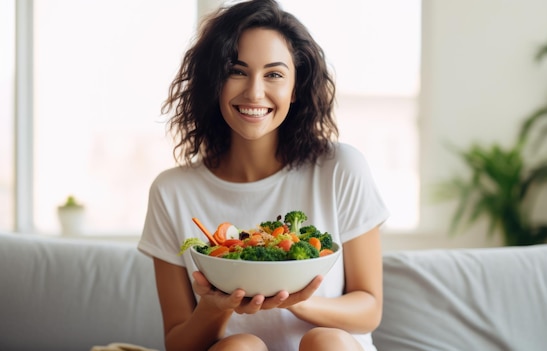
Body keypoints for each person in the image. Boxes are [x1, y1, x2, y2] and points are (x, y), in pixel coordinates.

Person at [138, 0, 389, 350]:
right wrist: (214, 306)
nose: (254, 92)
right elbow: (179, 343)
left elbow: (369, 309)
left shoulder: (340, 168)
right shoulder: (172, 191)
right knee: (239, 347)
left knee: (326, 341)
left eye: (274, 74)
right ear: (214, 81)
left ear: (295, 87)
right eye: (237, 71)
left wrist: (298, 300)